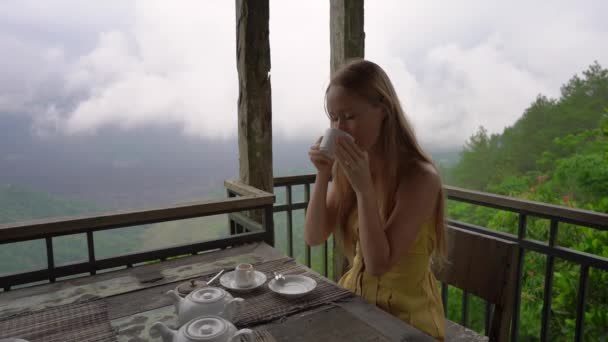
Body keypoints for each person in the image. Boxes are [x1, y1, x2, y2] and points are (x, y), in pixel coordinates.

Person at [304, 59, 447, 340]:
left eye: (350, 116)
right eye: (334, 118)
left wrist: (364, 191)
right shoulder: (352, 169)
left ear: (382, 110)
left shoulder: (420, 178)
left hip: (407, 321)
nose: (340, 127)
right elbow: (313, 235)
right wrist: (323, 175)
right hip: (357, 304)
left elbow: (378, 264)